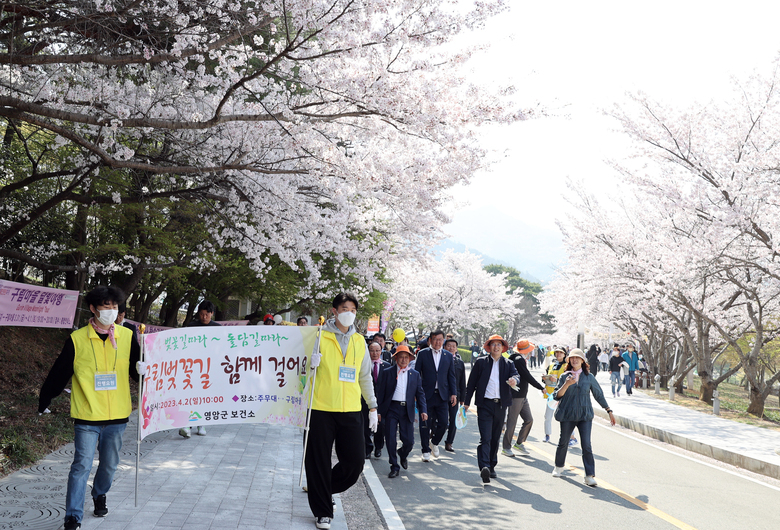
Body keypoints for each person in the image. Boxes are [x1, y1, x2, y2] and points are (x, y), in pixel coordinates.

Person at [38, 286, 140, 530]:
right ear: (93, 309)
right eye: (106, 307)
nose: (111, 311)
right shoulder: (77, 339)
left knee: (109, 465)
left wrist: (143, 371)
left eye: (115, 307)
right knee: (81, 465)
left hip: (117, 415)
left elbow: (137, 369)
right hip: (87, 414)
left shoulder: (126, 337)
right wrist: (46, 397)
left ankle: (99, 493)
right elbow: (60, 372)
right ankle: (73, 516)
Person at [305, 292, 377, 530]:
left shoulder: (359, 342)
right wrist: (309, 364)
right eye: (345, 309)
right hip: (321, 408)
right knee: (318, 462)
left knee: (355, 463)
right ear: (334, 311)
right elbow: (299, 371)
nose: (349, 314)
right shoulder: (318, 336)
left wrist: (372, 406)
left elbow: (365, 376)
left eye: (353, 310)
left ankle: (323, 489)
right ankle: (323, 511)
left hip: (350, 410)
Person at [550, 349, 615, 487]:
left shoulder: (589, 377)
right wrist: (567, 384)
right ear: (569, 361)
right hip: (567, 414)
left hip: (584, 415)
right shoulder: (564, 376)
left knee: (586, 445)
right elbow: (557, 395)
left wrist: (608, 410)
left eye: (577, 358)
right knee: (563, 442)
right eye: (572, 358)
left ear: (582, 361)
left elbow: (599, 394)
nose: (575, 360)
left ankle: (589, 475)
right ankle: (558, 467)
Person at [464, 334, 520, 484]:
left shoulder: (508, 364)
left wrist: (514, 380)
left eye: (499, 345)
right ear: (489, 347)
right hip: (484, 405)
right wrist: (466, 402)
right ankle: (485, 466)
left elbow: (516, 375)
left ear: (503, 348)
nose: (496, 347)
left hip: (501, 405)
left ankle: (492, 465)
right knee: (486, 437)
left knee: (495, 437)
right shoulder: (481, 362)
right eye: (493, 344)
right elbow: (471, 384)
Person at [376, 345, 427, 478]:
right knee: (391, 439)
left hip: (407, 410)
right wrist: (378, 411)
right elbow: (381, 393)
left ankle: (403, 454)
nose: (404, 360)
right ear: (396, 358)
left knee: (409, 441)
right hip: (391, 409)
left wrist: (423, 410)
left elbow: (420, 394)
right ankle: (394, 466)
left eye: (406, 357)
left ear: (410, 359)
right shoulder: (387, 372)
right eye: (401, 357)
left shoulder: (415, 375)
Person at [413, 329, 457, 461]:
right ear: (430, 340)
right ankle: (425, 450)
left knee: (444, 423)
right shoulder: (422, 354)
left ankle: (434, 443)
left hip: (442, 395)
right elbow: (416, 374)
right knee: (425, 423)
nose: (438, 342)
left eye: (440, 339)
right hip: (426, 395)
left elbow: (451, 376)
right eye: (435, 339)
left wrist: (454, 393)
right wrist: (415, 392)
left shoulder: (448, 356)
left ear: (443, 340)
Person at [180, 300, 221, 438]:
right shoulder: (191, 326)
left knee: (205, 397)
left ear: (212, 314)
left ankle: (201, 423)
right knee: (192, 395)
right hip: (193, 367)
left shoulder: (217, 328)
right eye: (202, 314)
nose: (204, 317)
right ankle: (187, 424)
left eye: (207, 315)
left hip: (210, 368)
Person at [503, 340, 545, 457]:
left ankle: (519, 443)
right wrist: (540, 387)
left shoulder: (514, 358)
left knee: (529, 420)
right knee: (512, 422)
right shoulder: (518, 360)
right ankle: (506, 447)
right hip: (516, 396)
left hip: (521, 396)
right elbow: (527, 376)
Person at [364, 342, 389, 458]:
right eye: (372, 350)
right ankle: (367, 448)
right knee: (366, 425)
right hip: (366, 400)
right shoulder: (364, 365)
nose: (375, 353)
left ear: (381, 351)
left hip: (382, 401)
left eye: (377, 350)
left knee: (381, 426)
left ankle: (378, 447)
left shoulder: (387, 366)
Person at [443, 338, 466, 453]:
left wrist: (463, 399)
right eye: (448, 346)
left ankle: (449, 442)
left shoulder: (459, 362)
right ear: (444, 347)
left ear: (456, 349)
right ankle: (433, 435)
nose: (451, 348)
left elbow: (462, 382)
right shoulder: (441, 360)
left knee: (453, 419)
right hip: (441, 394)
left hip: (455, 396)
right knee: (439, 419)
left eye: (453, 346)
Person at [541, 348, 568, 443]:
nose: (558, 354)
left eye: (561, 353)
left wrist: (555, 381)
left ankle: (570, 437)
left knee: (565, 417)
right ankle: (547, 434)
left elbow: (567, 381)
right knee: (548, 416)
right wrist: (545, 379)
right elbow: (546, 379)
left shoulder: (567, 366)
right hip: (551, 395)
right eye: (557, 353)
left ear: (565, 354)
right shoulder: (551, 365)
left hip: (562, 395)